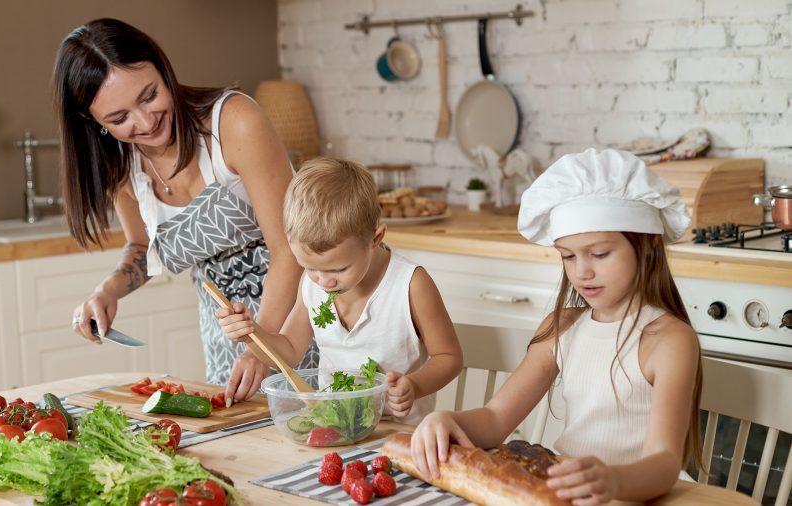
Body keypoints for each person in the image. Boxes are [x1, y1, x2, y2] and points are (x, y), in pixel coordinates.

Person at [409, 148, 703, 504]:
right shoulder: (562, 327)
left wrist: (612, 480)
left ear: (650, 245)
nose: (582, 271)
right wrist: (445, 420)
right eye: (568, 256)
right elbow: (495, 417)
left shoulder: (668, 340)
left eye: (600, 253)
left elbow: (665, 463)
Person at [53, 18, 318, 400]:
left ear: (163, 69)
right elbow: (143, 247)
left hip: (301, 318)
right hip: (226, 339)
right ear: (92, 121)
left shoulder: (233, 123)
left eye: (149, 96)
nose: (145, 122)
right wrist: (107, 292)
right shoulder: (123, 167)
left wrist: (263, 346)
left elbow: (290, 249)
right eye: (119, 118)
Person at [216, 157, 463, 424]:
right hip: (335, 429)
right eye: (310, 267)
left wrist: (414, 386)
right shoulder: (311, 284)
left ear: (375, 238)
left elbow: (449, 358)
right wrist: (251, 334)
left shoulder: (411, 285)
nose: (324, 281)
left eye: (338, 270)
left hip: (399, 436)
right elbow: (288, 350)